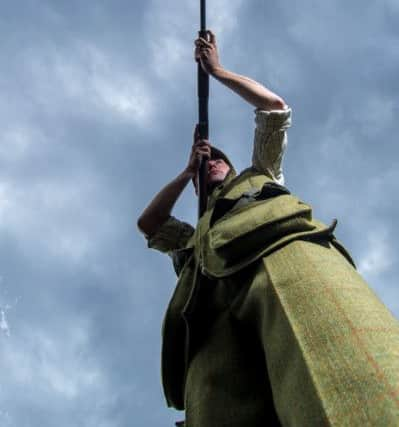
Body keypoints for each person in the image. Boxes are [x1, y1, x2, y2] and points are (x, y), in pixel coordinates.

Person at [137, 31, 399, 427]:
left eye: (218, 160)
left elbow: (274, 109)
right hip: (205, 317)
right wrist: (188, 170)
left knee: (347, 371)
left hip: (282, 253)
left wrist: (217, 71)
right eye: (204, 168)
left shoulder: (260, 173)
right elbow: (149, 223)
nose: (213, 163)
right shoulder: (190, 235)